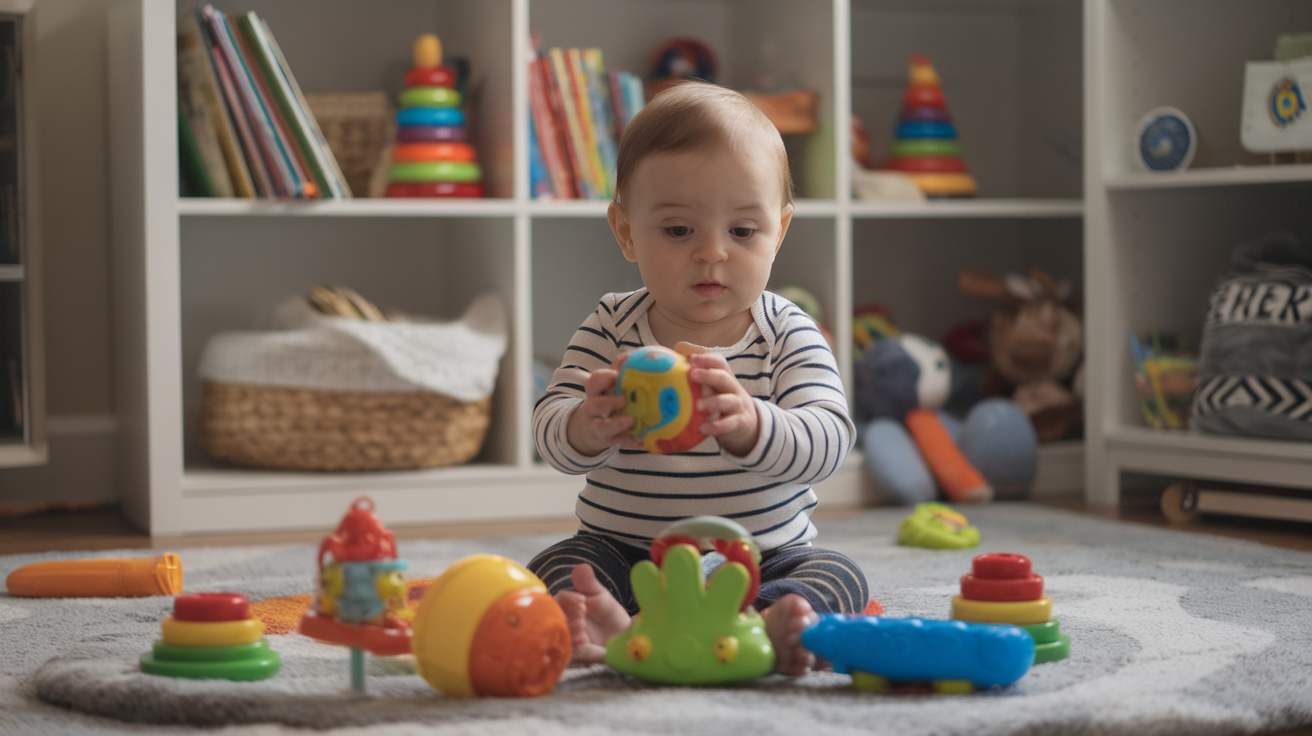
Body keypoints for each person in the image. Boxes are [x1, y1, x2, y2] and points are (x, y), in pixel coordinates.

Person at [528, 81, 867, 676]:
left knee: (840, 576)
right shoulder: (612, 324)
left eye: (742, 231)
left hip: (760, 559)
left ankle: (761, 624)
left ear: (779, 231)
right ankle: (621, 624)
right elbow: (548, 430)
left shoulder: (786, 331)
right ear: (627, 231)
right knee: (560, 564)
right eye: (679, 231)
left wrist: (753, 425)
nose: (712, 253)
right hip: (630, 557)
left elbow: (830, 439)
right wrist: (587, 423)